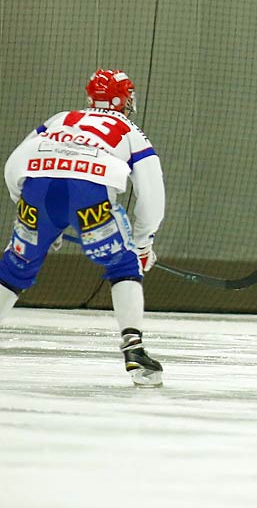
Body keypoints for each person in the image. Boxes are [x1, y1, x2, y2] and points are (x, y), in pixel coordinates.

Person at [2, 69, 166, 385]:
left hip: (39, 190)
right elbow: (151, 193)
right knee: (123, 267)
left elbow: (14, 163)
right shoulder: (130, 130)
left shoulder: (60, 118)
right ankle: (134, 349)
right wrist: (143, 244)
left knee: (14, 269)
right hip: (89, 193)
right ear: (122, 100)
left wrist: (30, 212)